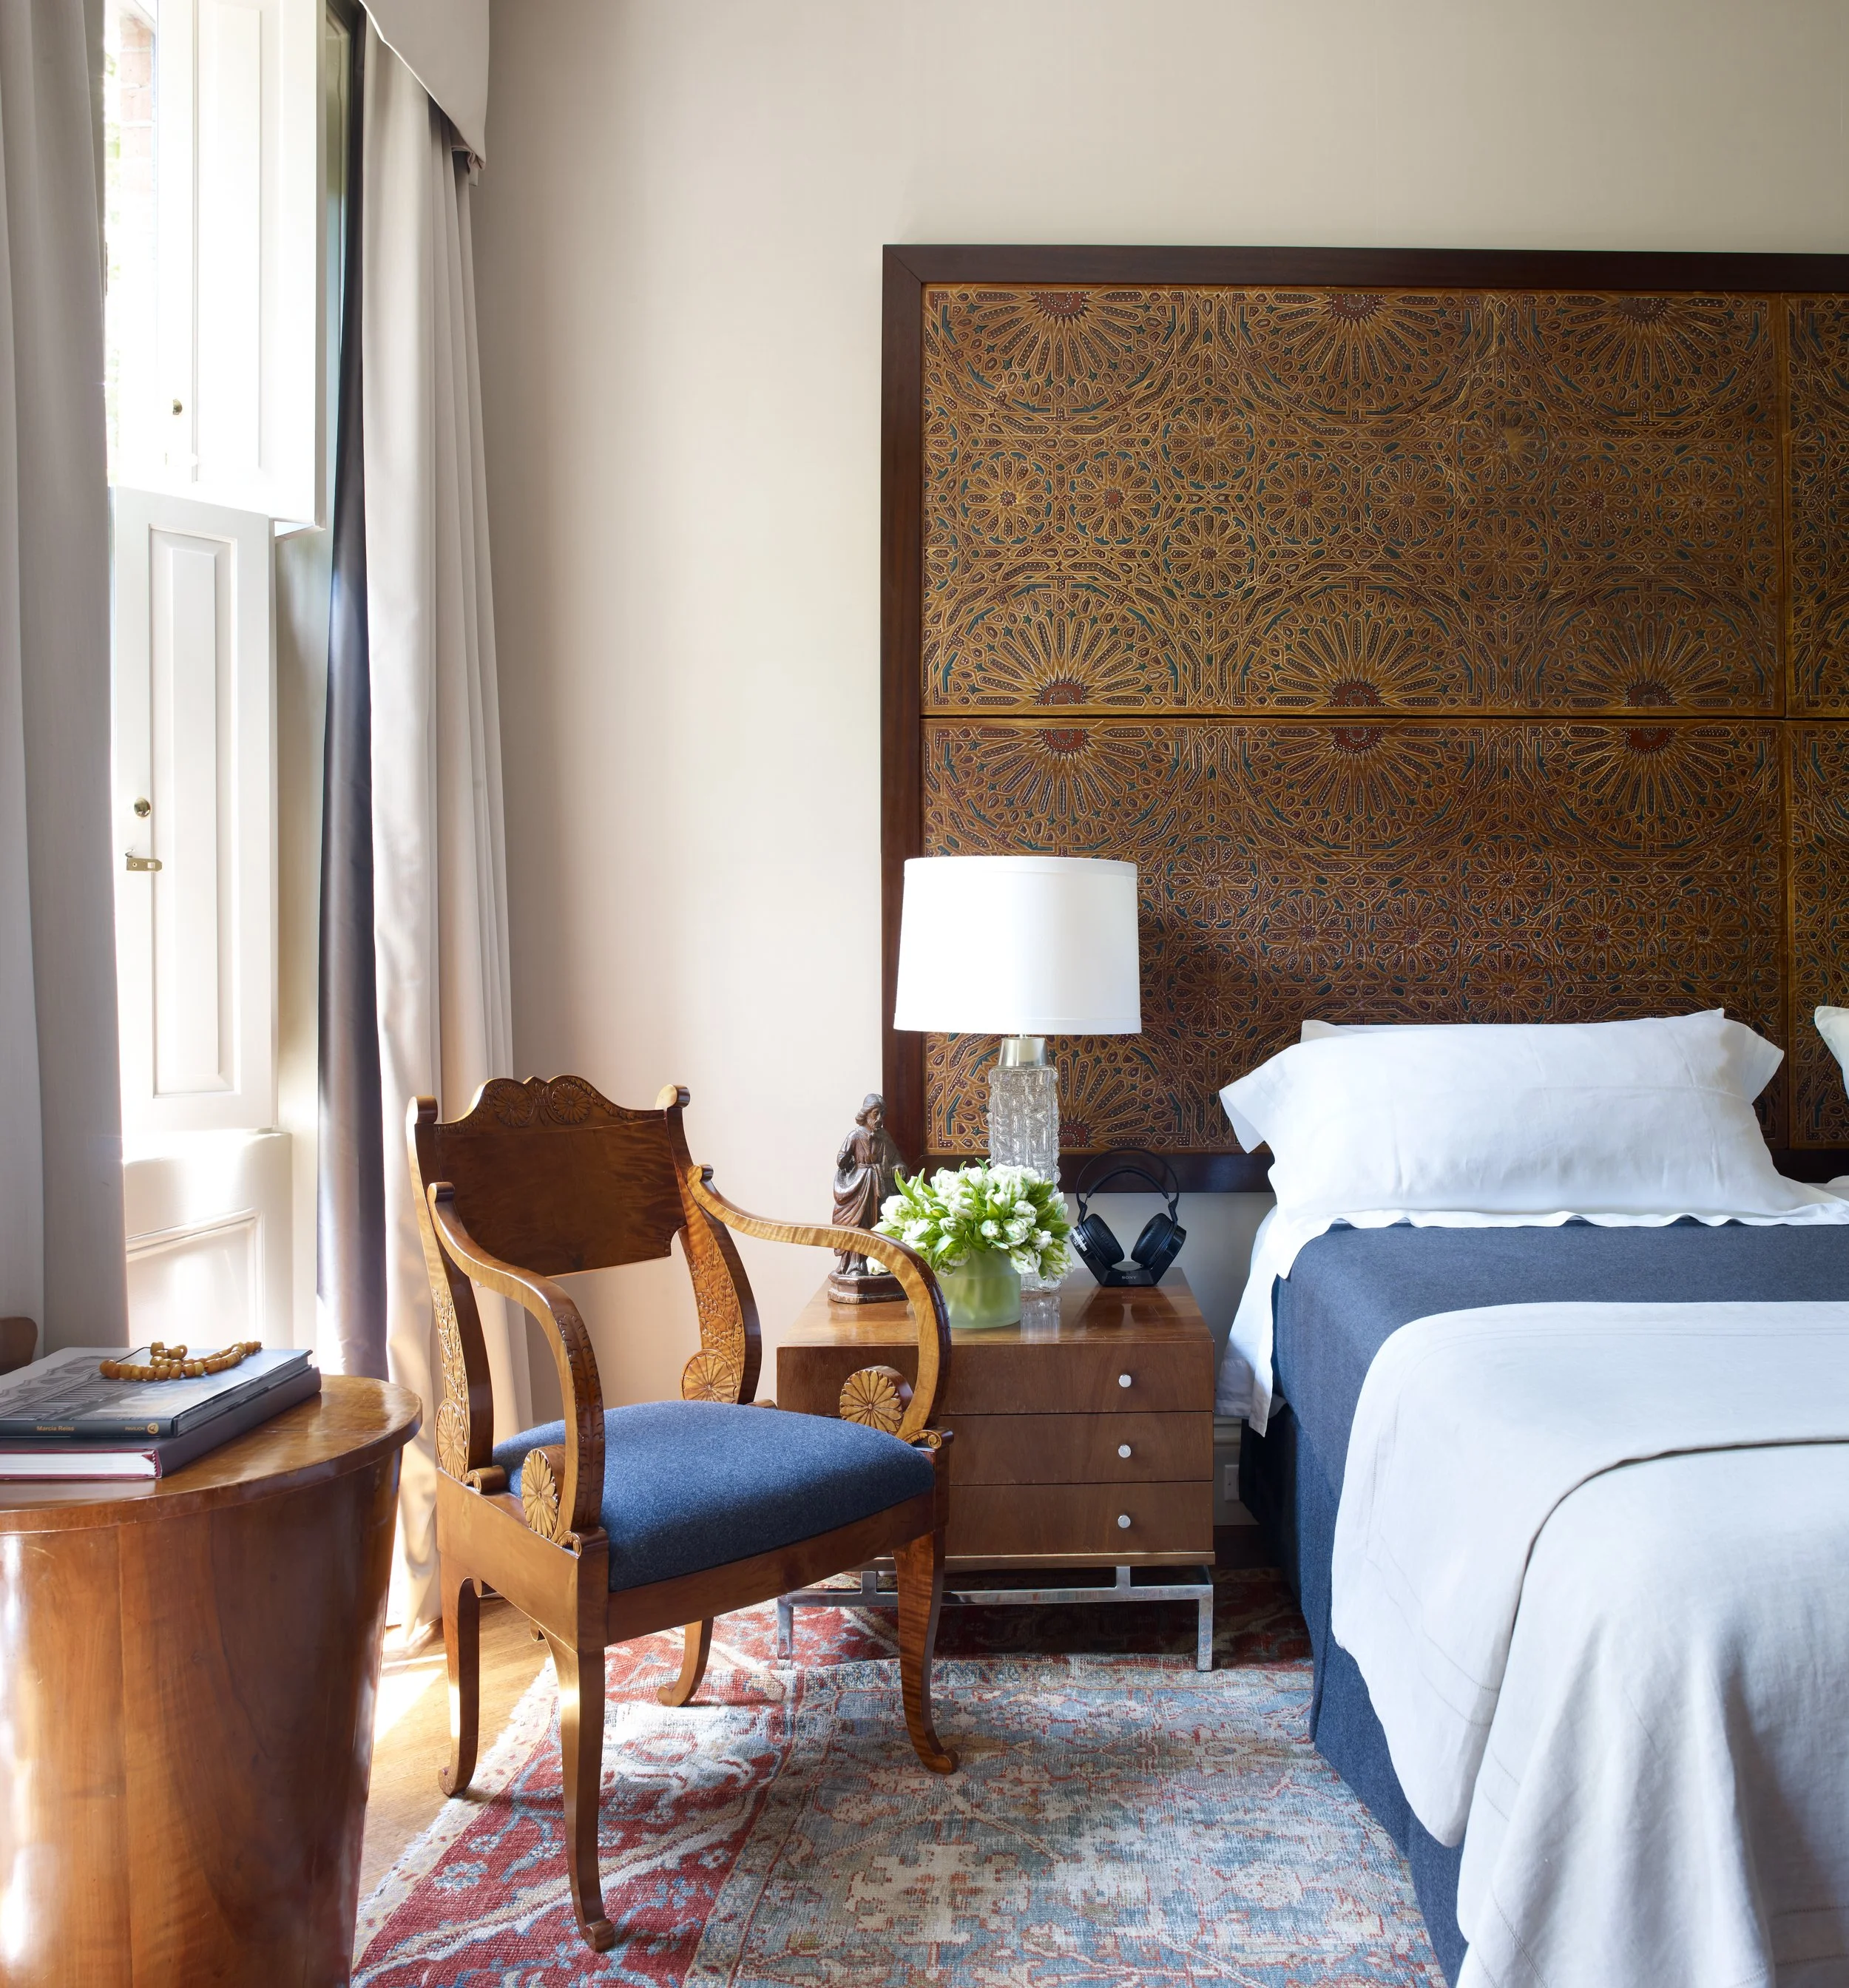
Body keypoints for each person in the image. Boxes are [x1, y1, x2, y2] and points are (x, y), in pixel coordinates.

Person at [831, 1093, 905, 1282]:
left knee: (880, 1224)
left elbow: (897, 1160)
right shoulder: (855, 1136)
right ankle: (856, 1265)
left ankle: (879, 1265)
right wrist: (844, 1161)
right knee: (858, 1224)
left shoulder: (884, 1137)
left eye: (882, 1114)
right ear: (866, 1114)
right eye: (876, 1114)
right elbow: (842, 1157)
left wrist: (899, 1168)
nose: (879, 1119)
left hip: (881, 1187)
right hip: (860, 1187)